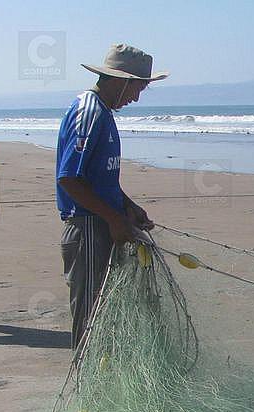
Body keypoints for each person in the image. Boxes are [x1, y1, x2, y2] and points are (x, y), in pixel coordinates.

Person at [55, 44, 166, 348]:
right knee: (90, 312)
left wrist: (128, 207)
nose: (136, 97)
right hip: (88, 227)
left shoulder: (104, 113)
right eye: (137, 89)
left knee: (104, 312)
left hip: (103, 221)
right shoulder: (89, 112)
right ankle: (85, 380)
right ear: (120, 81)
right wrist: (114, 219)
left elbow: (99, 178)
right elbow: (70, 179)